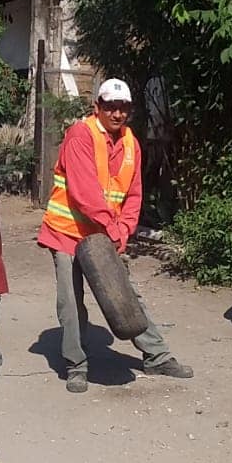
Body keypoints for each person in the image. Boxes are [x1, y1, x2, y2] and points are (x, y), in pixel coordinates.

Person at [37, 78, 194, 393]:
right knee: (71, 302)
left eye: (123, 108)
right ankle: (76, 365)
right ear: (97, 107)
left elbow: (134, 194)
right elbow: (84, 193)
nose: (117, 114)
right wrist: (113, 227)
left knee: (126, 295)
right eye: (111, 107)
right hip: (68, 232)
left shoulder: (131, 144)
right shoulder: (81, 135)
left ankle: (157, 356)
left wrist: (124, 229)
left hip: (104, 233)